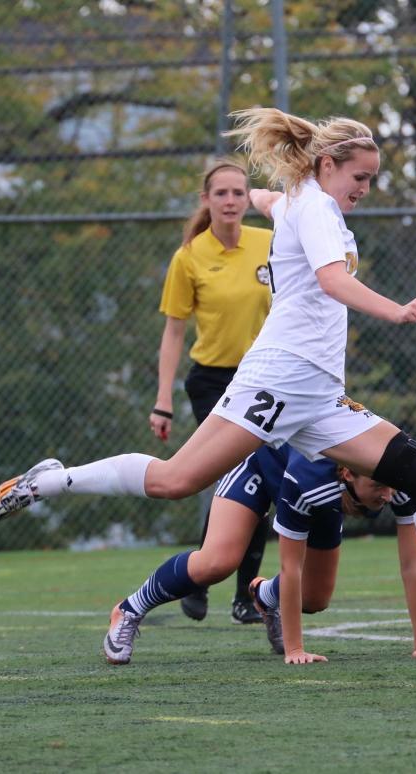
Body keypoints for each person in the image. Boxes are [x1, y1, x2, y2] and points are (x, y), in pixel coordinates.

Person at [0, 107, 416, 665]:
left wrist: (261, 197)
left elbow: (267, 199)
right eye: (360, 177)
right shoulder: (317, 211)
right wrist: (394, 310)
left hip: (318, 395)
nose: (365, 188)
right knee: (175, 480)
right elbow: (332, 280)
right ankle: (53, 480)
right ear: (329, 164)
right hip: (279, 379)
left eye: (371, 180)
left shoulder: (298, 200)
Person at [101, 442, 416, 664]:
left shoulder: (400, 480)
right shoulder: (310, 482)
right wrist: (295, 648)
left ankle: (263, 596)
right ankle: (129, 608)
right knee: (217, 562)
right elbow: (290, 565)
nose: (385, 496)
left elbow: (412, 563)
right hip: (263, 465)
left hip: (321, 485)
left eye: (389, 486)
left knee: (316, 598)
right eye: (376, 486)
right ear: (346, 474)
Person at [151, 157, 272, 625]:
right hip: (214, 383)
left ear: (248, 199)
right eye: (220, 193)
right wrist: (162, 401)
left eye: (238, 193)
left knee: (260, 480)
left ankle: (246, 598)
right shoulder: (190, 257)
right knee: (242, 473)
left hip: (264, 378)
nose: (229, 201)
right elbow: (174, 333)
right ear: (206, 200)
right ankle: (202, 577)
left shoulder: (268, 243)